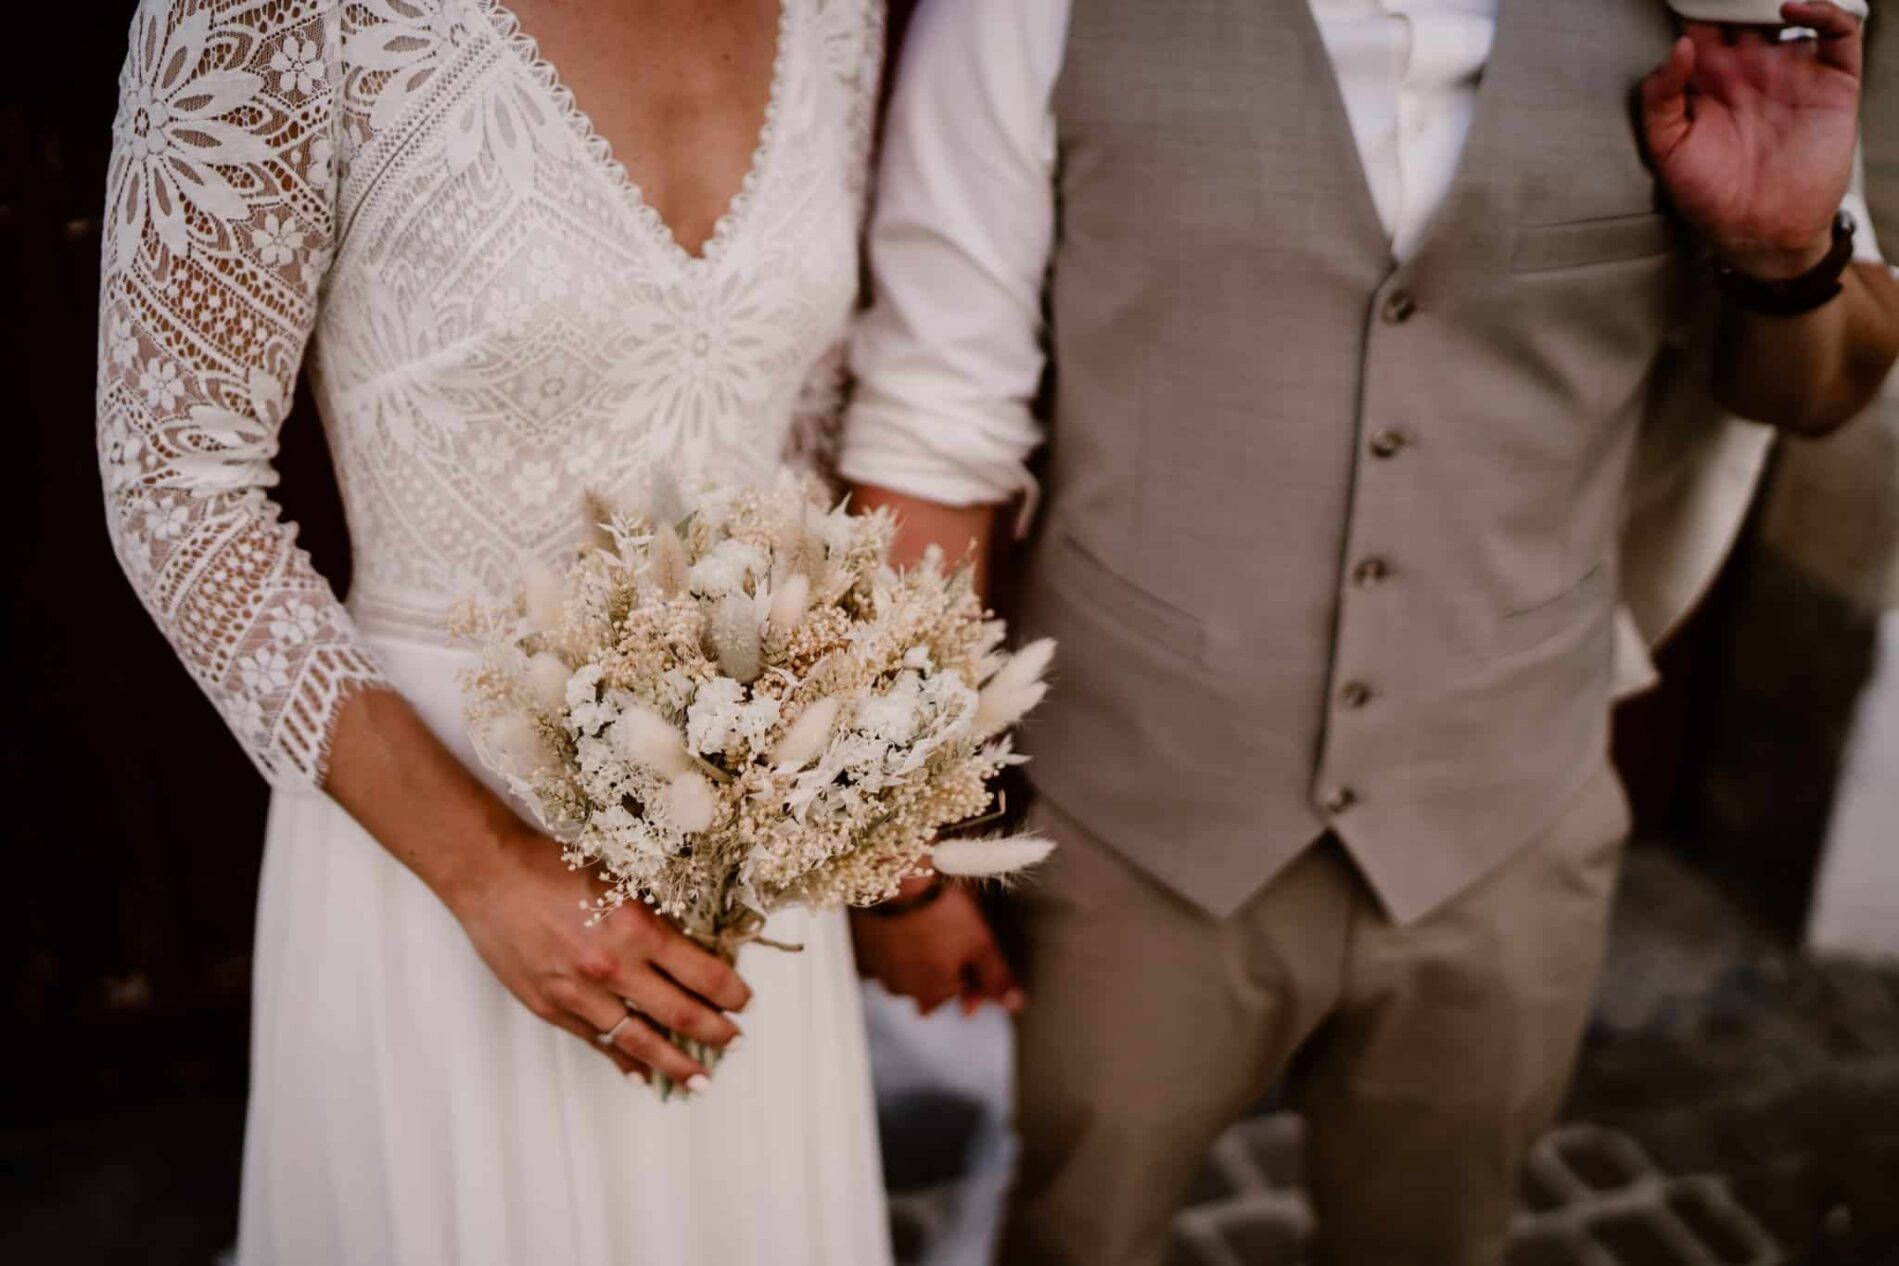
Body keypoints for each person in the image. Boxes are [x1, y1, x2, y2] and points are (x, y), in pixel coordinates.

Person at [842, 1, 1899, 1263]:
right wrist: (899, 844)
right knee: (1071, 1234)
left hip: (1509, 813)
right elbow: (931, 424)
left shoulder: (1712, 11)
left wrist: (1785, 257)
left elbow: (1821, 392)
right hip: (1134, 816)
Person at [95, 1, 889, 1262]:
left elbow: (802, 427)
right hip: (436, 836)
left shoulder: (840, 14)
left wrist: (841, 755)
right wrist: (485, 871)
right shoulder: (278, 17)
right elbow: (177, 485)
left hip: (746, 861)